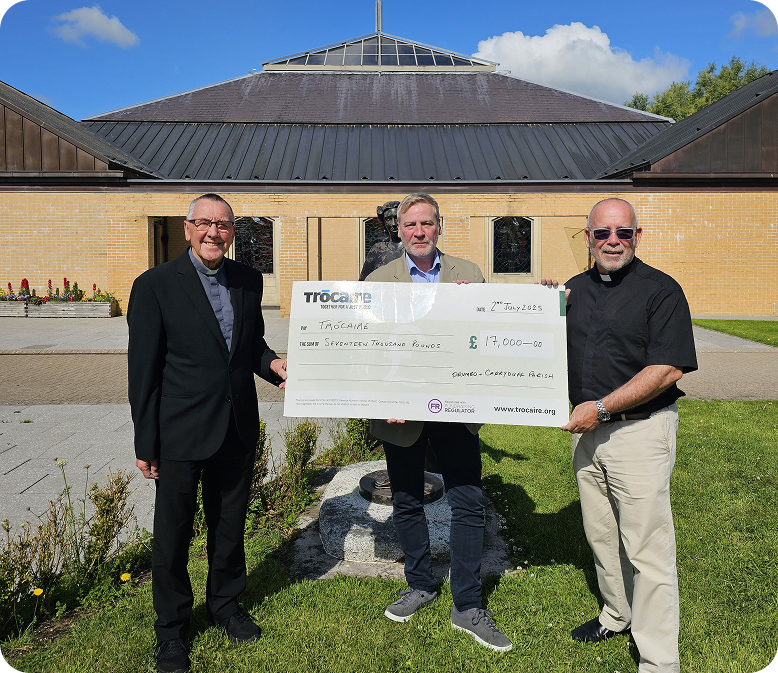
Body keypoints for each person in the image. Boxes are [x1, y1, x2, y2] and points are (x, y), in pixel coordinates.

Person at [127, 193, 287, 673]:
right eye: (205, 223)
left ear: (233, 232)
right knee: (172, 536)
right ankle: (171, 631)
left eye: (223, 225)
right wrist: (145, 442)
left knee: (229, 526)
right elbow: (144, 371)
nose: (214, 232)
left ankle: (225, 606)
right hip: (179, 432)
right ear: (187, 227)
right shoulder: (154, 285)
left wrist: (273, 365)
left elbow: (250, 345)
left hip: (236, 427)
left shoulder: (248, 280)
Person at [544, 197, 697, 672]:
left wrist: (603, 408)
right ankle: (616, 614)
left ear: (637, 236)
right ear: (587, 237)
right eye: (602, 233)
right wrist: (533, 306)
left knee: (647, 548)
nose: (613, 241)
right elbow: (538, 344)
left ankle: (658, 659)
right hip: (587, 432)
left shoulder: (662, 291)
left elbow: (668, 368)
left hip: (639, 433)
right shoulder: (574, 288)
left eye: (623, 233)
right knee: (601, 534)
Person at [366, 193, 512, 652]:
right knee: (407, 500)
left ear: (439, 226)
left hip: (456, 409)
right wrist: (381, 397)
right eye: (410, 225)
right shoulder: (378, 280)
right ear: (398, 230)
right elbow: (367, 349)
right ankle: (421, 585)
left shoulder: (468, 274)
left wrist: (545, 305)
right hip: (402, 412)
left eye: (427, 223)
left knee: (467, 502)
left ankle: (467, 604)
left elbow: (485, 338)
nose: (419, 232)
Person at [358, 200, 403, 280]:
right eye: (388, 219)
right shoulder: (377, 249)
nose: (393, 223)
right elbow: (363, 283)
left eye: (396, 218)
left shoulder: (413, 248)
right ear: (384, 223)